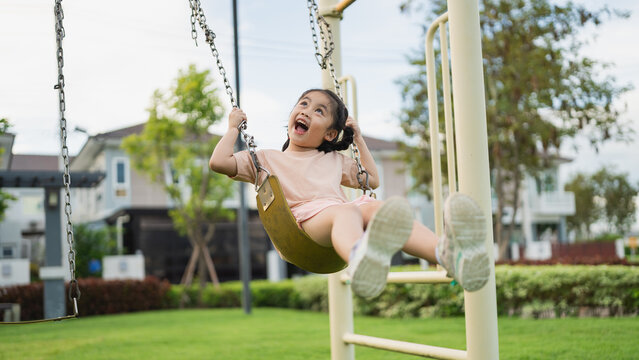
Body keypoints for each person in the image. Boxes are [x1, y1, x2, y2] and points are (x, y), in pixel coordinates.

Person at [210, 88, 490, 298]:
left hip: (340, 220)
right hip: (303, 228)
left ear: (331, 134)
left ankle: (449, 255)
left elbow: (372, 179)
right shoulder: (266, 159)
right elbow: (219, 162)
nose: (307, 111)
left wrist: (358, 138)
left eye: (319, 111)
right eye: (304, 104)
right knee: (347, 209)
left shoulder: (333, 161)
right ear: (293, 114)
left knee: (373, 207)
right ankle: (361, 260)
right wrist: (232, 128)